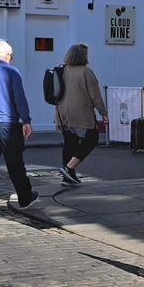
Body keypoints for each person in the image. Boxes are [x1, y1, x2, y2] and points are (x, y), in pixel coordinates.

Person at [0, 39, 39, 218]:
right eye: (10, 56)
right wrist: (27, 120)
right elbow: (19, 97)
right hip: (6, 124)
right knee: (14, 162)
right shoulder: (11, 71)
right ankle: (25, 197)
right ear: (7, 55)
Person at [56, 44, 108, 185]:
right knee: (92, 138)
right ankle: (69, 167)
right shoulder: (86, 72)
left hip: (62, 112)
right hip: (80, 113)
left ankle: (68, 177)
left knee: (69, 142)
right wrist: (103, 112)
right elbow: (95, 95)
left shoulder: (62, 70)